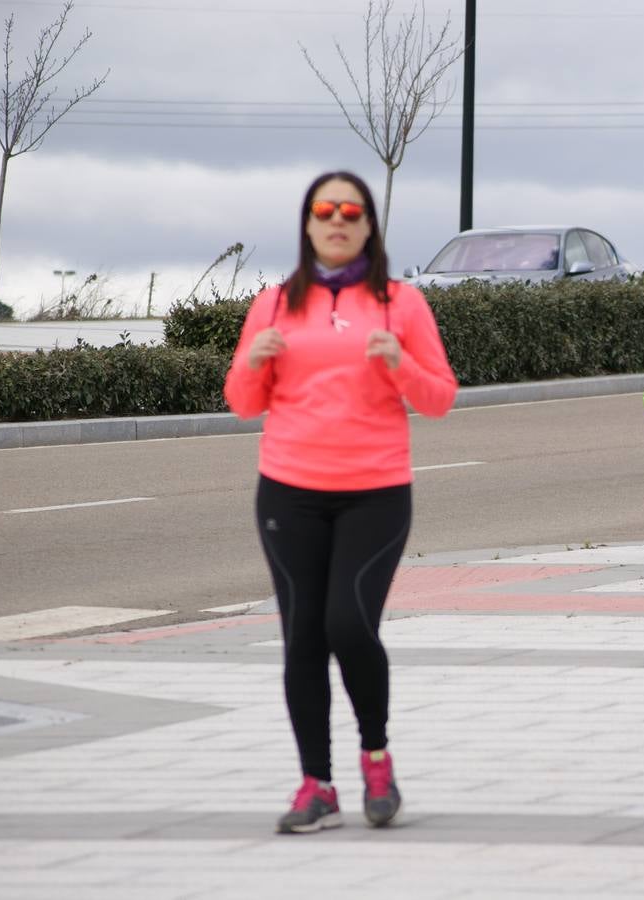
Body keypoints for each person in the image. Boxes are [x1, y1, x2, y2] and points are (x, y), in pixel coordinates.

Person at [224, 171, 458, 833]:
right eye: (323, 210)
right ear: (306, 224)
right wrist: (252, 362)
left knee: (349, 625)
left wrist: (398, 366)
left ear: (368, 225)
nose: (336, 220)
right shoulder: (271, 305)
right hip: (288, 490)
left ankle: (375, 757)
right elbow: (243, 405)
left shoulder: (400, 303)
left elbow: (439, 398)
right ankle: (316, 786)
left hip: (375, 492)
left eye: (350, 211)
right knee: (303, 638)